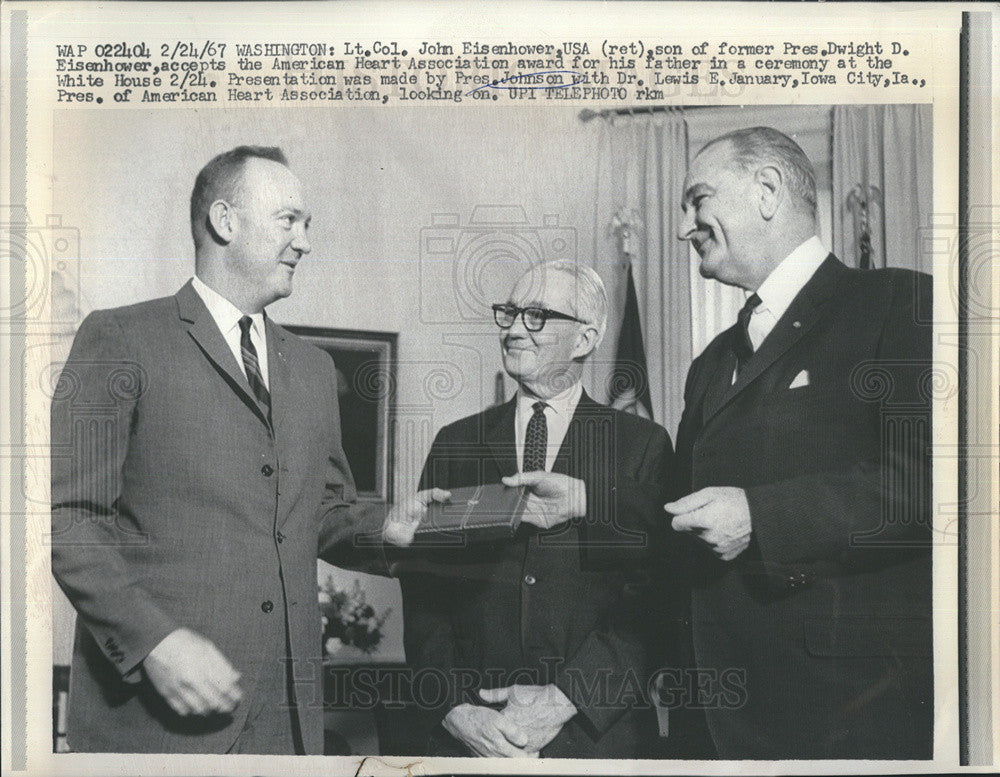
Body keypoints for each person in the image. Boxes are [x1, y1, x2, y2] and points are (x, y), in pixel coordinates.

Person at [50, 146, 444, 754]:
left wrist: (388, 526)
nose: (305, 242)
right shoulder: (122, 337)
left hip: (288, 722)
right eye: (289, 220)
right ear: (225, 221)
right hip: (155, 723)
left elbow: (321, 513)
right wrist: (153, 641)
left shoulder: (313, 369)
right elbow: (69, 519)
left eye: (307, 225)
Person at [668, 126, 933, 759]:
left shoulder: (897, 304)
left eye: (697, 200)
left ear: (767, 190)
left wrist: (760, 515)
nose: (685, 227)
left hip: (845, 716)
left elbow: (927, 484)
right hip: (710, 717)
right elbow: (680, 518)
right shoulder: (709, 363)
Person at [395, 260, 675, 758]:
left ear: (585, 338)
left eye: (537, 316)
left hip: (596, 737)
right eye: (510, 313)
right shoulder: (456, 443)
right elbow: (424, 594)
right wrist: (454, 708)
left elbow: (654, 599)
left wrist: (564, 700)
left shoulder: (642, 445)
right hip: (474, 736)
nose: (514, 329)